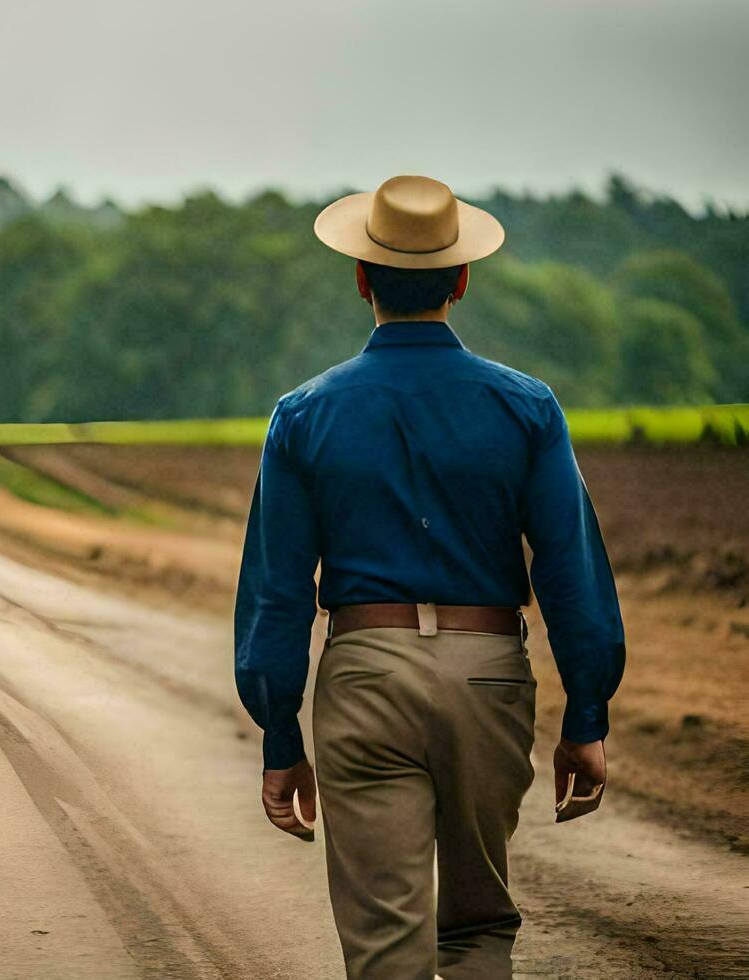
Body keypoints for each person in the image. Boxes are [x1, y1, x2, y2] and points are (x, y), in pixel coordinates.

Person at [234, 175, 626, 979]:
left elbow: (278, 594)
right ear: (462, 280)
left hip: (365, 674)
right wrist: (587, 715)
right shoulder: (529, 408)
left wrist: (279, 734)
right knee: (479, 927)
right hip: (487, 677)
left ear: (360, 280)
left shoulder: (302, 416)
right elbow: (569, 571)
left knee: (386, 943)